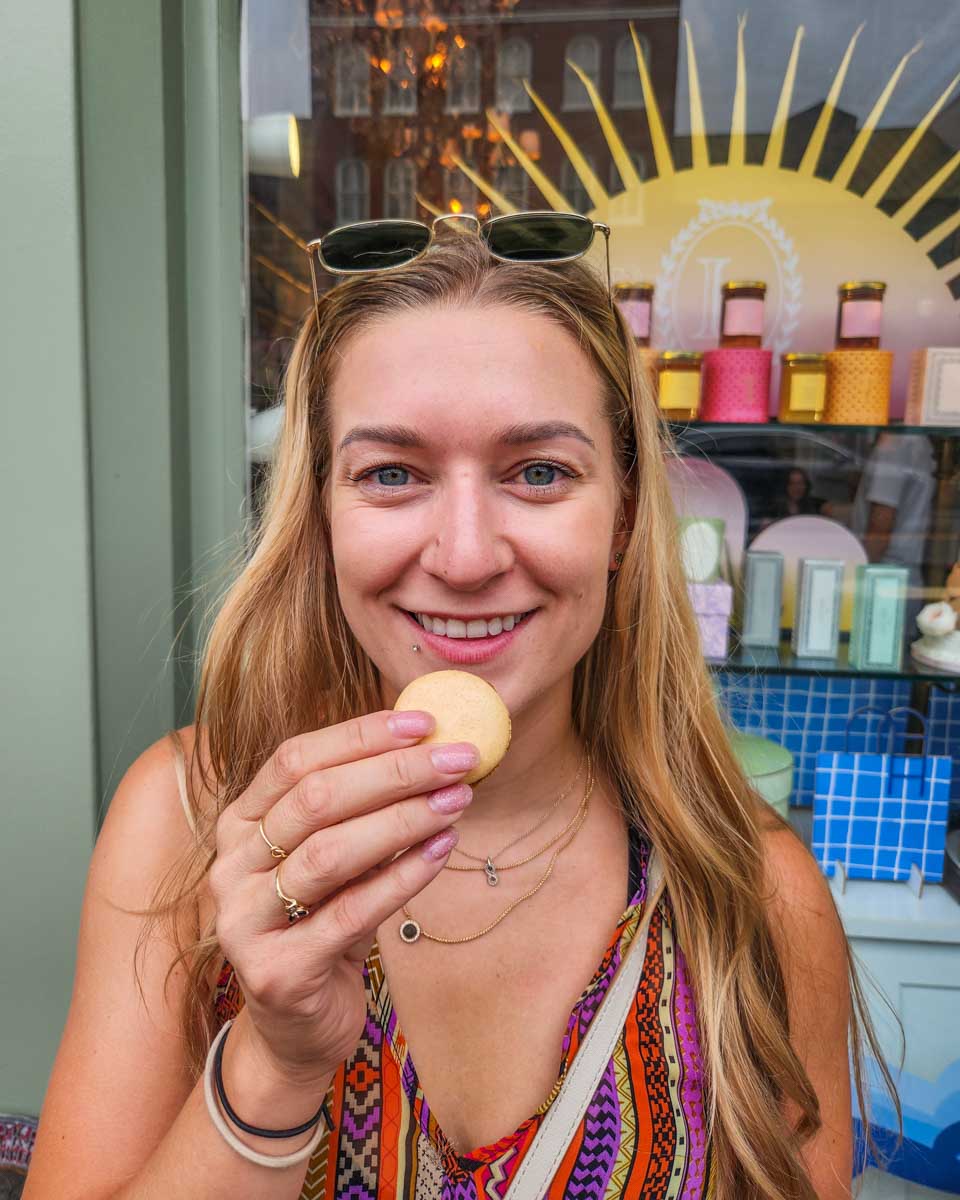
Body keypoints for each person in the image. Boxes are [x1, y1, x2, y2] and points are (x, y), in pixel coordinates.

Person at [24, 216, 896, 1200]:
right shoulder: (190, 820)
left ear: (622, 517)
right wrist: (274, 1063)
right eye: (392, 474)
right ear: (319, 516)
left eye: (540, 473)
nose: (468, 556)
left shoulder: (756, 901)